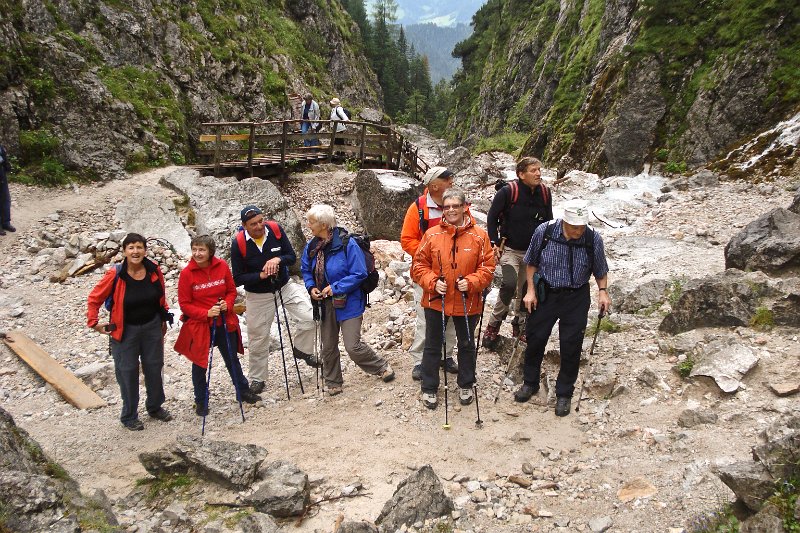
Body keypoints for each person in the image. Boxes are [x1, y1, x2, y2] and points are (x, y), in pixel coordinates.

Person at [513, 199, 612, 417]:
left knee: (571, 343)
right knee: (535, 338)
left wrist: (603, 291)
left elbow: (600, 268)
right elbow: (531, 262)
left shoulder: (592, 238)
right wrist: (530, 290)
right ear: (564, 221)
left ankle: (564, 393)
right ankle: (530, 383)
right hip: (545, 293)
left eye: (581, 225)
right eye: (574, 226)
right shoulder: (545, 231)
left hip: (576, 296)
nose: (578, 230)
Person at [411, 188, 495, 409]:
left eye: (455, 206)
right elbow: (418, 266)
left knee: (466, 344)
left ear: (464, 207)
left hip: (468, 301)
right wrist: (432, 281)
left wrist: (472, 282)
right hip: (436, 299)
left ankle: (466, 383)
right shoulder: (431, 235)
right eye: (447, 207)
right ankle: (429, 387)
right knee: (432, 345)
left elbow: (487, 268)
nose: (451, 210)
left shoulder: (480, 235)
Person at [301, 205, 395, 395]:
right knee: (328, 345)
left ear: (324, 224)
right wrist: (311, 287)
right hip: (324, 302)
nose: (308, 225)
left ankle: (381, 366)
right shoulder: (312, 247)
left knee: (352, 345)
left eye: (311, 222)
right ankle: (333, 381)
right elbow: (305, 270)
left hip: (349, 300)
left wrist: (334, 288)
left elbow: (359, 273)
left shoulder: (347, 243)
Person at [86, 233, 173, 431]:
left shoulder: (153, 270)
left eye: (139, 247)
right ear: (124, 251)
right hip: (125, 330)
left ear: (145, 250)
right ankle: (129, 415)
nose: (135, 251)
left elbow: (161, 296)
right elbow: (94, 298)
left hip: (152, 326)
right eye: (131, 247)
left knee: (154, 366)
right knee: (127, 371)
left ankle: (155, 406)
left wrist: (163, 318)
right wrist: (94, 323)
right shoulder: (116, 274)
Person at [231, 206, 319, 395]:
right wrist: (261, 275)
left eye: (261, 221)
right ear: (244, 226)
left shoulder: (275, 231)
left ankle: (302, 350)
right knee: (258, 338)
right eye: (253, 224)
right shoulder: (238, 244)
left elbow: (291, 257)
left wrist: (277, 260)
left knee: (310, 316)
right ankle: (257, 378)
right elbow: (237, 278)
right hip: (257, 296)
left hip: (285, 286)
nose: (259, 226)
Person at [174, 235, 261, 416]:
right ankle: (201, 399)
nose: (197, 253)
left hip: (223, 321)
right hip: (200, 324)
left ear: (210, 251)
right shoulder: (187, 274)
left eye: (202, 250)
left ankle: (242, 390)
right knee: (200, 363)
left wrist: (227, 305)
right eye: (195, 249)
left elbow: (230, 290)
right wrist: (205, 313)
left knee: (231, 357)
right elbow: (185, 304)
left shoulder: (221, 266)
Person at [483, 156, 552, 348]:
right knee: (509, 283)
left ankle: (520, 325)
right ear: (521, 174)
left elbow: (549, 222)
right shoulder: (507, 192)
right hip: (510, 249)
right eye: (533, 170)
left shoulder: (545, 193)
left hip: (533, 253)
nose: (538, 173)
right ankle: (494, 323)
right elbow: (491, 218)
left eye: (539, 169)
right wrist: (494, 242)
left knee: (527, 289)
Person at [400, 166, 459, 381]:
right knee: (426, 317)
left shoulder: (456, 204)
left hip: (454, 271)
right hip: (425, 272)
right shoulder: (418, 208)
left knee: (452, 314)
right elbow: (407, 240)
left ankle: (447, 355)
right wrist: (433, 254)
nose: (451, 180)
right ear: (434, 186)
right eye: (446, 178)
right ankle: (419, 360)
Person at [0, 143, 15, 235]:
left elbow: (3, 154)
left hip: (1, 172)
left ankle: (6, 223)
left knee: (5, 198)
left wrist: (6, 164)